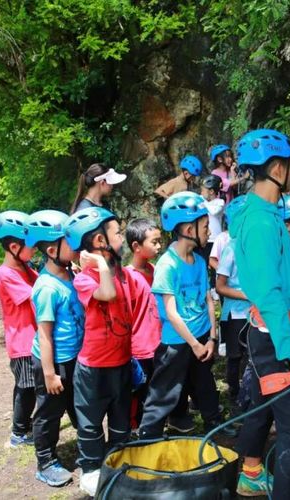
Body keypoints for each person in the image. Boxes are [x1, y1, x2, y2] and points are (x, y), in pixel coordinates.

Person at [231, 129, 290, 499]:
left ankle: (250, 474)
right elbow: (267, 294)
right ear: (278, 168)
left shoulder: (262, 214)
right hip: (279, 341)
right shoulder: (263, 223)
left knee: (263, 411)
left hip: (275, 333)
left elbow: (277, 282)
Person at [138, 192, 236, 440]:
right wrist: (193, 344)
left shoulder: (199, 261)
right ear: (188, 229)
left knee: (205, 384)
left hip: (201, 336)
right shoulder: (167, 265)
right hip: (178, 342)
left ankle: (214, 422)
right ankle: (149, 436)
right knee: (164, 391)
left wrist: (212, 338)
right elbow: (170, 312)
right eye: (205, 227)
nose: (209, 233)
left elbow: (207, 298)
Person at [64, 207, 148, 496]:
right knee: (90, 423)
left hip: (121, 362)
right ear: (100, 241)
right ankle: (90, 469)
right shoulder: (84, 277)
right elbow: (108, 294)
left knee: (121, 418)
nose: (121, 237)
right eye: (117, 233)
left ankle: (119, 460)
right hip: (94, 367)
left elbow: (137, 300)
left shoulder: (124, 274)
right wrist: (99, 264)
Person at [26, 210, 84, 487]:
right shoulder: (47, 288)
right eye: (70, 241)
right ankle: (45, 461)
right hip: (53, 361)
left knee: (79, 404)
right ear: (52, 250)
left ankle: (88, 447)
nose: (77, 244)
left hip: (73, 357)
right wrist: (49, 373)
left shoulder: (70, 274)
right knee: (49, 413)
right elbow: (45, 335)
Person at [0, 211, 38, 448]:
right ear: (13, 246)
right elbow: (35, 297)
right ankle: (19, 432)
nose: (36, 249)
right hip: (23, 342)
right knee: (26, 387)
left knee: (31, 386)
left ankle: (26, 427)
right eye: (31, 245)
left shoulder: (26, 268)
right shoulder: (6, 274)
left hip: (33, 338)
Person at [124, 218, 163, 429]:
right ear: (136, 247)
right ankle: (134, 428)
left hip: (159, 342)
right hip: (139, 348)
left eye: (159, 241)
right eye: (154, 242)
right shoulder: (127, 277)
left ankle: (153, 427)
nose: (158, 246)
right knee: (138, 391)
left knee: (155, 390)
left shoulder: (155, 270)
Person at [213, 196, 250, 414]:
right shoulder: (231, 249)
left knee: (250, 356)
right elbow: (220, 286)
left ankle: (249, 395)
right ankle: (235, 395)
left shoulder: (254, 246)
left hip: (253, 314)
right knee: (235, 357)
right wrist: (245, 295)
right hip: (235, 314)